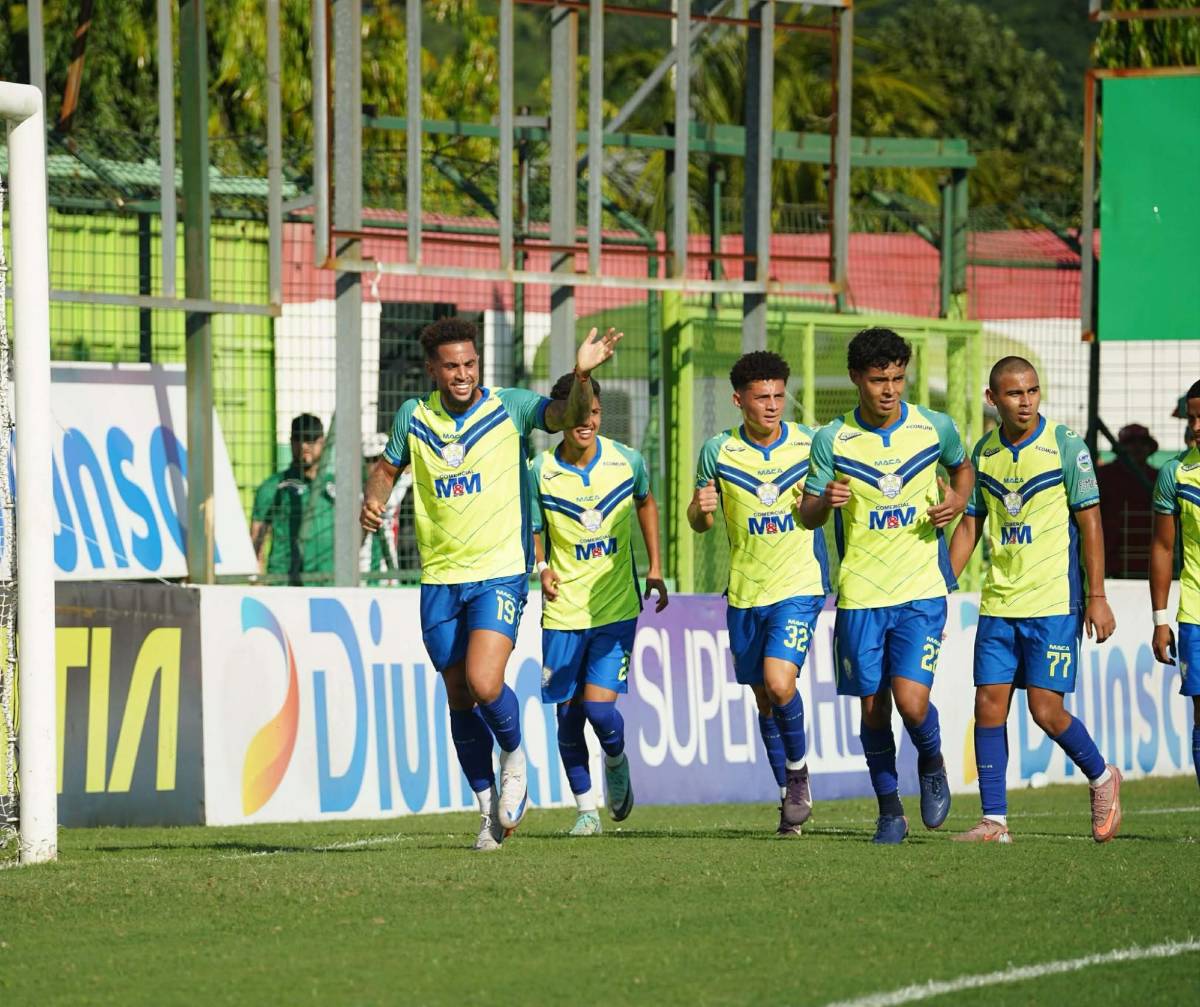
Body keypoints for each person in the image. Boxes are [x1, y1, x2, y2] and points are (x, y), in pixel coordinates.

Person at [360, 317, 622, 851]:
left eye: (470, 363)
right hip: (439, 577)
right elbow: (388, 468)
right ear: (433, 369)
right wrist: (374, 498)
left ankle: (516, 761)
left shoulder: (510, 406)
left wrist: (581, 375)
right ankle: (486, 813)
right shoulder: (413, 417)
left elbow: (562, 415)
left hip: (499, 571)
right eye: (452, 365)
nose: (463, 374)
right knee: (458, 695)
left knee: (484, 682)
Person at [799, 328, 973, 844]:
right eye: (879, 380)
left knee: (912, 702)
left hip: (921, 589)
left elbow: (963, 470)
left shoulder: (933, 427)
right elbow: (808, 516)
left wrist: (958, 502)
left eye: (898, 378)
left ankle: (933, 759)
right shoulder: (833, 439)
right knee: (873, 707)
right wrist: (823, 500)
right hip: (861, 594)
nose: (890, 389)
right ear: (856, 378)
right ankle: (890, 809)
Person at [949, 357, 1120, 843]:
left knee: (1046, 711)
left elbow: (1090, 522)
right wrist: (939, 587)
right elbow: (970, 526)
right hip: (1000, 603)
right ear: (992, 398)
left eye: (1032, 391)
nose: (1025, 402)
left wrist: (1097, 595)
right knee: (988, 705)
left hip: (1052, 603)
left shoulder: (1066, 447)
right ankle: (994, 821)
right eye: (1014, 394)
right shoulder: (983, 453)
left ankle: (1102, 777)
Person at [687, 351, 829, 837]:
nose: (772, 406)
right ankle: (789, 801)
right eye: (761, 397)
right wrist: (700, 509)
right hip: (745, 593)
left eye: (777, 396)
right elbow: (700, 522)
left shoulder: (812, 444)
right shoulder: (718, 451)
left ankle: (798, 775)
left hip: (799, 585)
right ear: (738, 400)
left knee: (780, 681)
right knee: (764, 699)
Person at [530, 372, 668, 836]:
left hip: (614, 609)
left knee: (598, 710)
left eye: (592, 411)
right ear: (560, 416)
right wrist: (543, 567)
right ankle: (586, 811)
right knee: (567, 718)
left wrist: (654, 566)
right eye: (576, 412)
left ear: (599, 414)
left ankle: (615, 755)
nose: (586, 421)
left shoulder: (627, 462)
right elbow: (535, 529)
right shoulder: (540, 471)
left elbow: (646, 504)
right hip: (563, 613)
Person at [1149, 378, 1200, 794]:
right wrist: (1160, 619)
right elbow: (1164, 548)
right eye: (1193, 417)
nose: (1196, 426)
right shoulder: (1175, 475)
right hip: (1195, 615)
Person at [251, 413, 334, 585]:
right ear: (290, 441)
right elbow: (256, 541)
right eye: (298, 439)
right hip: (284, 583)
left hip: (329, 584)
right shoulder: (273, 487)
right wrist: (258, 583)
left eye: (310, 439)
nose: (304, 446)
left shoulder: (337, 487)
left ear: (322, 442)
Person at [1097, 423, 1158, 578]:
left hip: (1151, 559)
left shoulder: (1159, 477)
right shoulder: (1104, 476)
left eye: (1142, 443)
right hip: (1113, 559)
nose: (1137, 448)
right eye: (1131, 443)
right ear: (1120, 449)